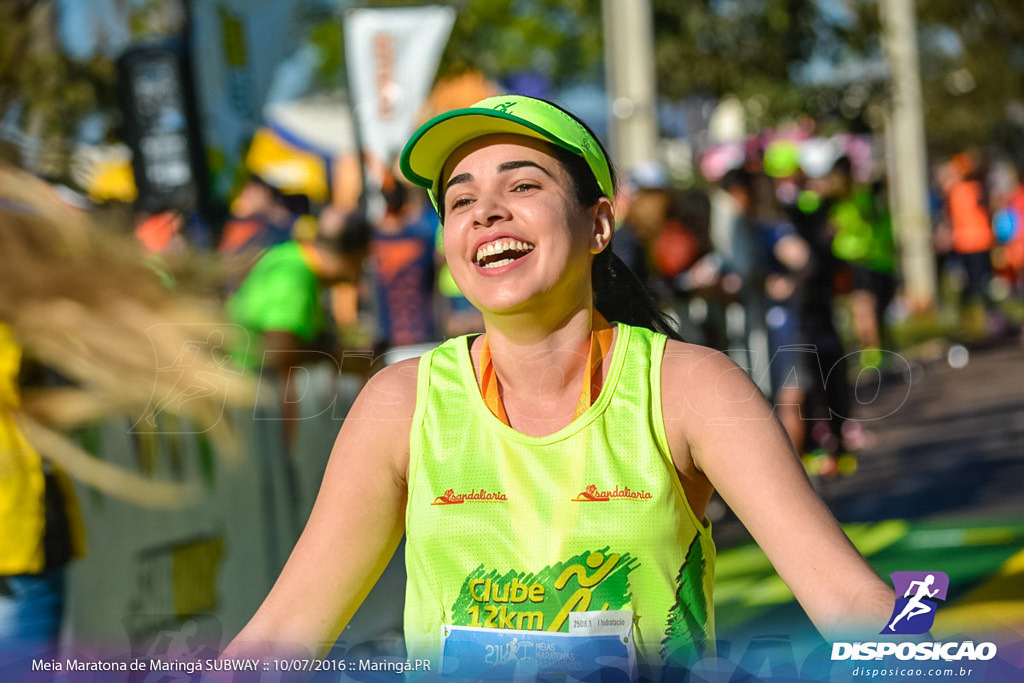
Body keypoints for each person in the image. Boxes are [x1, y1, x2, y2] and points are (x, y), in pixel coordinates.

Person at [224, 96, 893, 679]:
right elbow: (281, 636)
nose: (485, 212)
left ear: (600, 223)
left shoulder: (688, 387)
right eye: (460, 199)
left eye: (521, 187)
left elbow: (855, 606)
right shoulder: (400, 404)